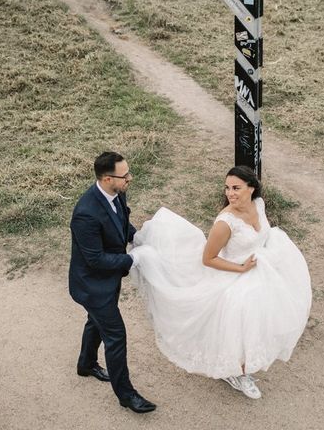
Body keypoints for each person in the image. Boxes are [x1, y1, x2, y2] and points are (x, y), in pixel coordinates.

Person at [130, 165, 311, 399]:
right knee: (242, 322)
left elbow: (261, 235)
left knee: (263, 319)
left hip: (261, 269)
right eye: (227, 188)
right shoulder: (225, 223)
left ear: (251, 188)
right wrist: (240, 268)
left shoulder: (259, 205)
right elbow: (208, 259)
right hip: (231, 274)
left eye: (236, 188)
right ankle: (238, 373)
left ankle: (241, 366)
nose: (230, 193)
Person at [68, 151, 156, 413]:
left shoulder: (117, 192)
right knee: (116, 336)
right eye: (124, 175)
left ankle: (85, 365)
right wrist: (133, 259)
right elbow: (95, 260)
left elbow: (121, 223)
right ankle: (126, 395)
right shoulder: (86, 213)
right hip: (92, 285)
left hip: (107, 281)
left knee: (95, 322)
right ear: (107, 179)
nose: (130, 178)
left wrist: (136, 236)